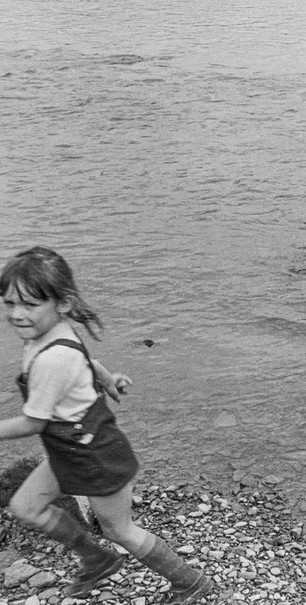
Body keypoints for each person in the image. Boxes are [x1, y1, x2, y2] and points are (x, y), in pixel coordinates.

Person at [0, 246, 212, 604]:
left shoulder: (53, 357)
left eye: (30, 305)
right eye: (9, 304)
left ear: (62, 304)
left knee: (119, 529)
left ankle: (190, 583)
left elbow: (35, 422)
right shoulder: (51, 334)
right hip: (71, 449)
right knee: (26, 507)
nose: (17, 314)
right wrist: (109, 382)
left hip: (97, 455)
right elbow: (90, 361)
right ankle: (95, 558)